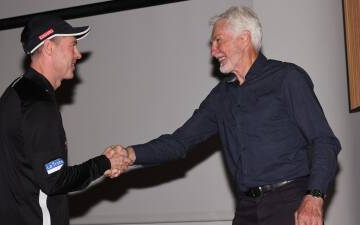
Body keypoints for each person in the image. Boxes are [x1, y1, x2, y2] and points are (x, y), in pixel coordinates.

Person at [108, 6, 341, 225]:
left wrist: (315, 195)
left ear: (244, 38)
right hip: (246, 208)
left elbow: (325, 141)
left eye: (218, 40)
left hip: (289, 202)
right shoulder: (221, 97)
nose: (213, 51)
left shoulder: (287, 78)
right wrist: (130, 154)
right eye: (212, 43)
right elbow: (179, 142)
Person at [0, 15, 127, 225]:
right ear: (49, 47)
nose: (78, 54)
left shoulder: (14, 92)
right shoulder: (38, 104)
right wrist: (105, 163)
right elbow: (55, 181)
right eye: (72, 45)